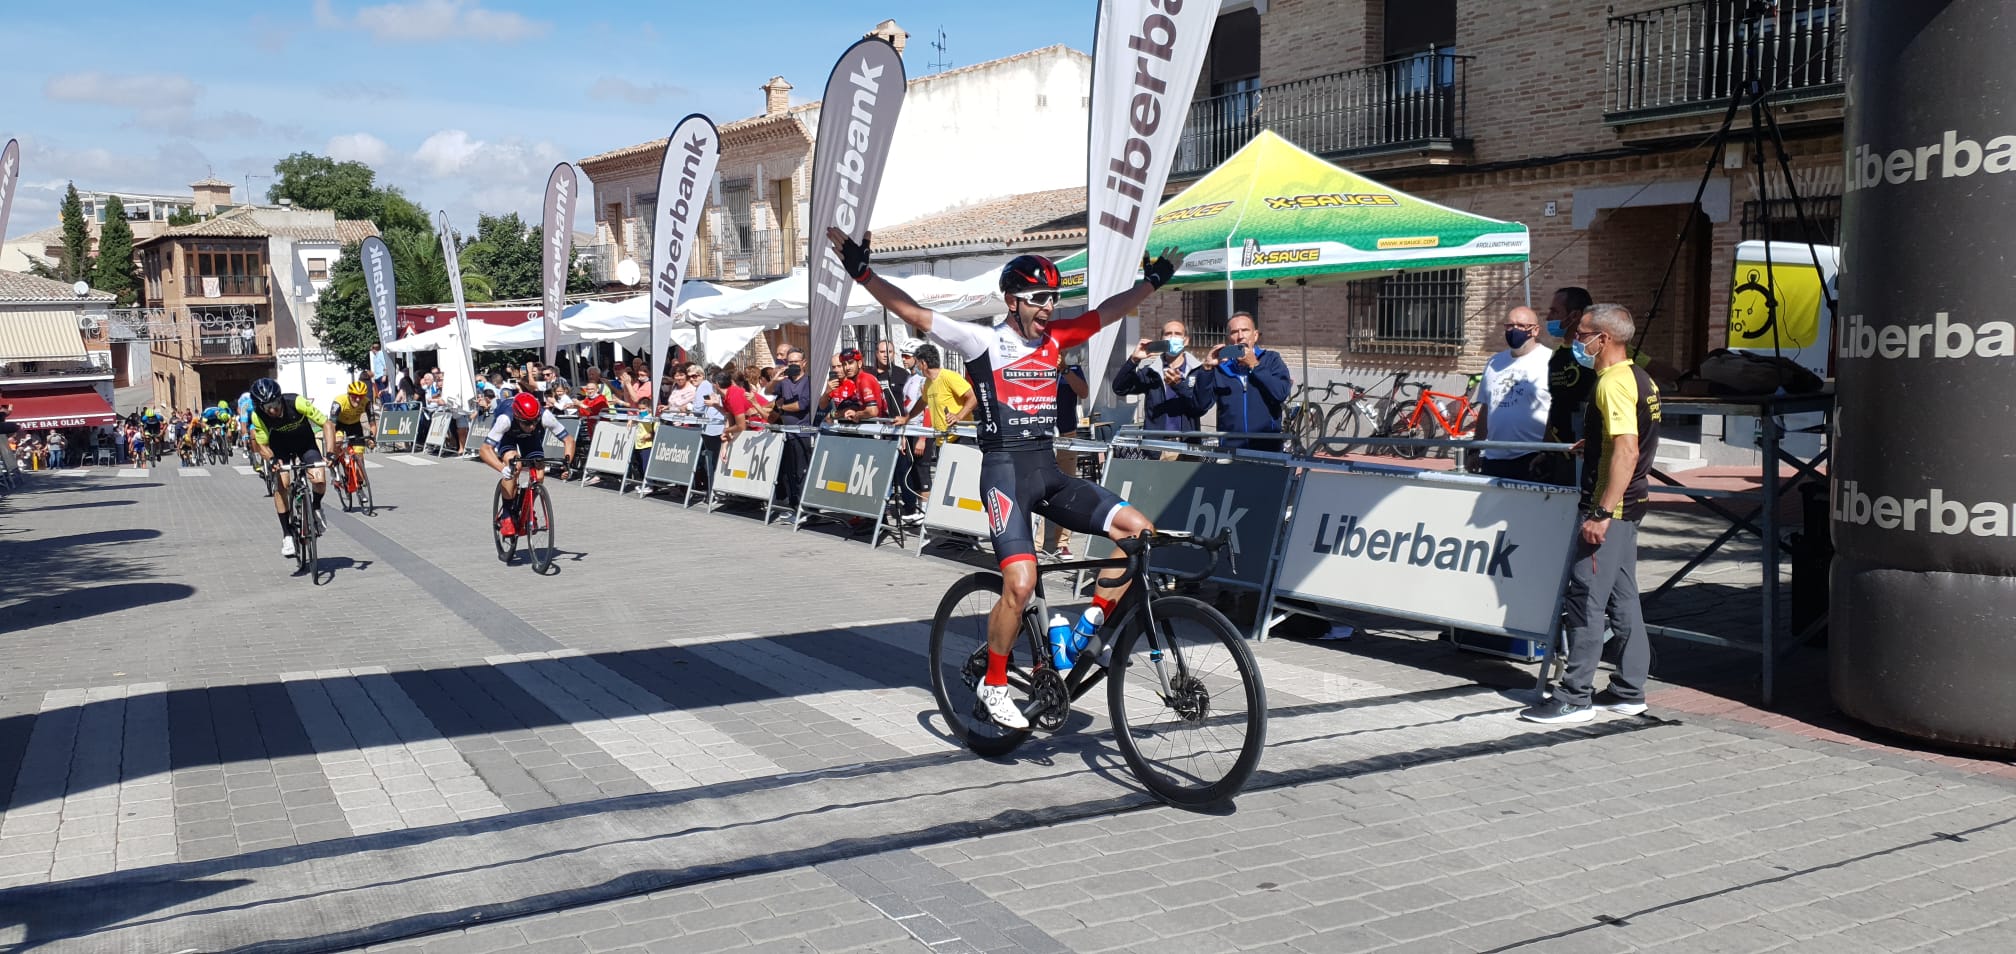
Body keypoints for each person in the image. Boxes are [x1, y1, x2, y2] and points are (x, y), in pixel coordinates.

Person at [829, 227, 1183, 729]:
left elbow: (1108, 311)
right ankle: (995, 684)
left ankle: (1081, 634)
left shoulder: (1058, 339)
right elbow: (912, 312)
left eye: (1054, 299)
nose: (1048, 308)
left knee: (1139, 533)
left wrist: (1150, 282)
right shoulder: (982, 341)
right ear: (1012, 301)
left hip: (1046, 467)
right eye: (1039, 299)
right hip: (1003, 474)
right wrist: (864, 274)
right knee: (1020, 581)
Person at [1522, 303, 1662, 725]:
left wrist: (1600, 512)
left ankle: (1574, 695)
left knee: (1585, 600)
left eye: (1581, 333)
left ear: (1603, 338)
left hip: (1611, 508)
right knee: (1624, 602)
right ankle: (1627, 691)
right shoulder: (1640, 377)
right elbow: (1628, 436)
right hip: (1631, 505)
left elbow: (1628, 449)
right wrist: (1596, 441)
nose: (1574, 339)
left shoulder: (1612, 383)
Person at [248, 377, 334, 559]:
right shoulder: (258, 415)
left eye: (275, 404)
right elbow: (261, 444)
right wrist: (271, 460)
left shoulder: (296, 402)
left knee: (319, 479)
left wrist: (331, 453)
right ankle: (287, 534)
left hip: (305, 443)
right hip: (280, 447)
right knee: (283, 484)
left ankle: (316, 508)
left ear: (280, 398)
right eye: (267, 407)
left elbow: (326, 424)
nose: (272, 410)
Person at [1470, 306, 1554, 480]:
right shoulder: (1494, 362)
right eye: (1509, 326)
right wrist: (1474, 448)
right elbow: (1486, 408)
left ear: (1535, 330)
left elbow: (1556, 410)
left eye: (1521, 325)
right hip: (1494, 458)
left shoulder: (1549, 360)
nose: (1514, 330)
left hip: (1531, 457)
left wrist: (1548, 451)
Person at [481, 393, 576, 536]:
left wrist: (567, 463)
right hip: (508, 437)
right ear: (518, 418)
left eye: (534, 421)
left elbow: (569, 440)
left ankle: (528, 507)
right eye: (527, 423)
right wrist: (502, 468)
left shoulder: (545, 416)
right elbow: (484, 450)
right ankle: (507, 514)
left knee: (539, 472)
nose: (532, 426)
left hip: (530, 440)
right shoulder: (505, 420)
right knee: (515, 466)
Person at [1199, 312, 1293, 452]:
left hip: (1267, 449)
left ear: (1255, 335)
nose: (1240, 336)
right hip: (1230, 450)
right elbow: (1201, 405)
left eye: (1245, 330)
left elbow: (1281, 393)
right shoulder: (1221, 367)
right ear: (1229, 339)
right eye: (1234, 332)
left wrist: (1255, 365)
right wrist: (1206, 369)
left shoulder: (1272, 360)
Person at [1113, 320, 1206, 453]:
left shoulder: (1197, 371)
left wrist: (1179, 386)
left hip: (1187, 446)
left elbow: (1201, 406)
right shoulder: (1151, 371)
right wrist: (1134, 360)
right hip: (1155, 446)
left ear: (1186, 340)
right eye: (1168, 334)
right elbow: (1120, 388)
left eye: (1178, 334)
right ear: (1162, 339)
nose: (1173, 338)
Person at [1542, 286, 1596, 486]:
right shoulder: (1556, 355)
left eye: (1554, 311)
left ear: (1575, 315)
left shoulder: (1598, 351)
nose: (1548, 318)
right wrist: (1546, 447)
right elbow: (1554, 400)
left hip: (1585, 452)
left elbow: (1648, 366)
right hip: (1559, 449)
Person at [1040, 360, 1091, 558]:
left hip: (1066, 434)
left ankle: (1062, 543)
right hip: (1041, 433)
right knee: (1038, 487)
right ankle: (1036, 543)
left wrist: (1065, 370)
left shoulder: (1074, 369)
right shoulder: (1038, 364)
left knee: (1066, 488)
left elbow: (1084, 392)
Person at [770, 346, 814, 514]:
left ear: (804, 363)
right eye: (790, 362)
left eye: (796, 362)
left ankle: (808, 509)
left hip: (803, 432)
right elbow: (769, 392)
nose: (793, 365)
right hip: (787, 432)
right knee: (790, 472)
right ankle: (795, 506)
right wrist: (775, 379)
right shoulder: (785, 381)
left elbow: (802, 405)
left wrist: (782, 409)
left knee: (802, 471)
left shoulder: (809, 381)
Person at [821, 347, 884, 424]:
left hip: (876, 429)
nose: (847, 368)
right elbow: (857, 407)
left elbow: (872, 411)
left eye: (850, 363)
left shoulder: (864, 379)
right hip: (871, 428)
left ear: (859, 363)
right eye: (844, 364)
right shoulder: (857, 381)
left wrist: (856, 415)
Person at [328, 380, 379, 466]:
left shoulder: (367, 402)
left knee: (359, 456)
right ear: (349, 394)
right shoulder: (339, 402)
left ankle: (359, 479)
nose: (358, 399)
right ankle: (336, 468)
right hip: (339, 424)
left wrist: (371, 438)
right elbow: (332, 425)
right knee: (338, 441)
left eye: (361, 396)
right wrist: (333, 443)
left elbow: (372, 424)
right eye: (354, 396)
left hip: (355, 425)